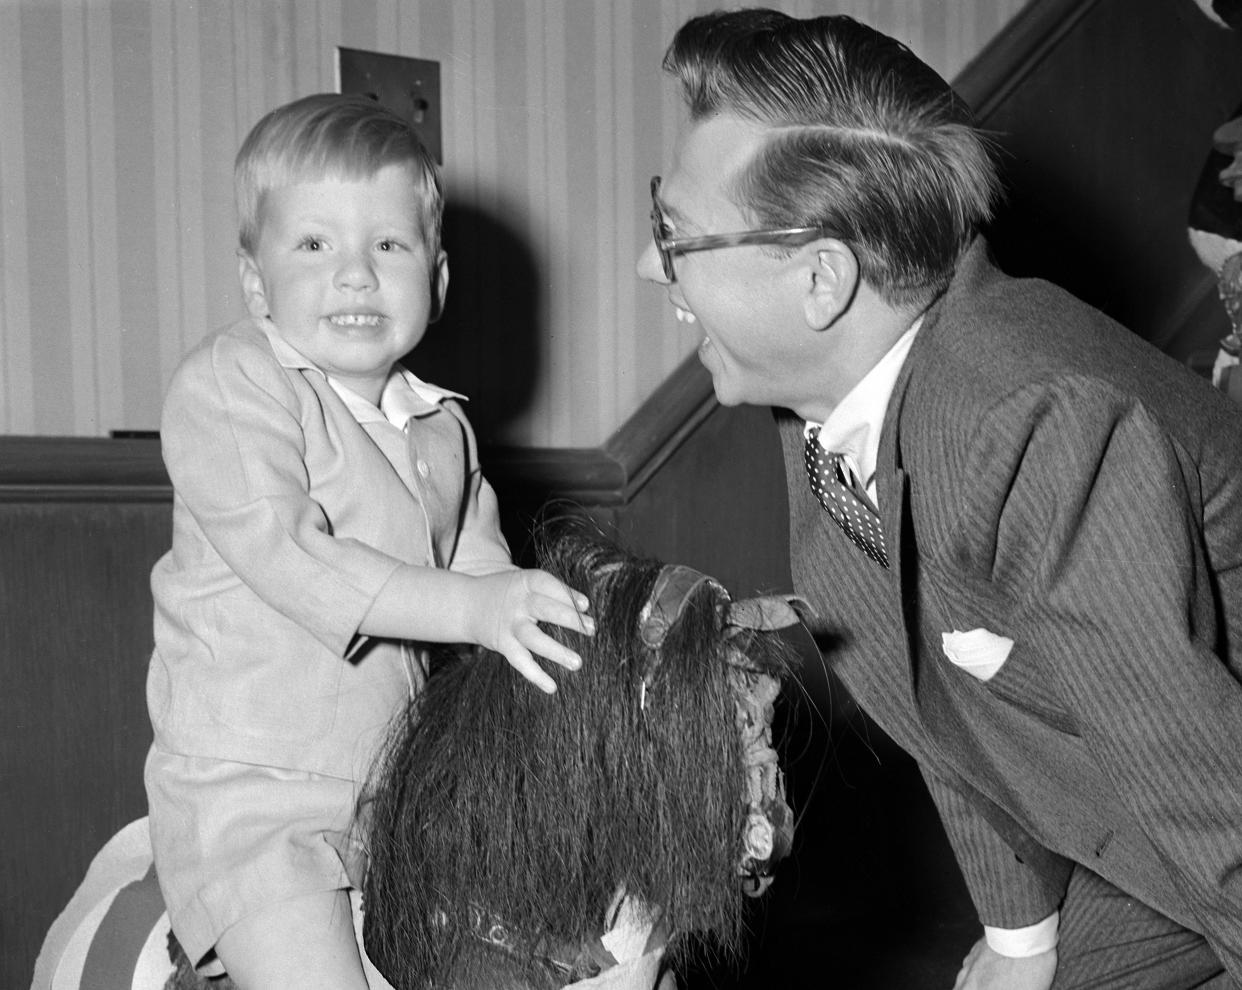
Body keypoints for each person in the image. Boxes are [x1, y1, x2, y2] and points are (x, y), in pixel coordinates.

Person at [637, 9, 1242, 990]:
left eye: (675, 238)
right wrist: (1020, 942)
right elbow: (945, 705)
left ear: (821, 281)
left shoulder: (1031, 420)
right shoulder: (838, 411)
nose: (646, 266)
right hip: (1137, 828)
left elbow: (1209, 791)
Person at [145, 92, 593, 990]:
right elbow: (291, 556)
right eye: (314, 245)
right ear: (252, 278)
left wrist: (545, 629)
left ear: (438, 278)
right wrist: (475, 606)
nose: (355, 274)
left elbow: (481, 568)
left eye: (388, 245)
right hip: (255, 793)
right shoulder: (230, 386)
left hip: (393, 786)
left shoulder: (442, 428)